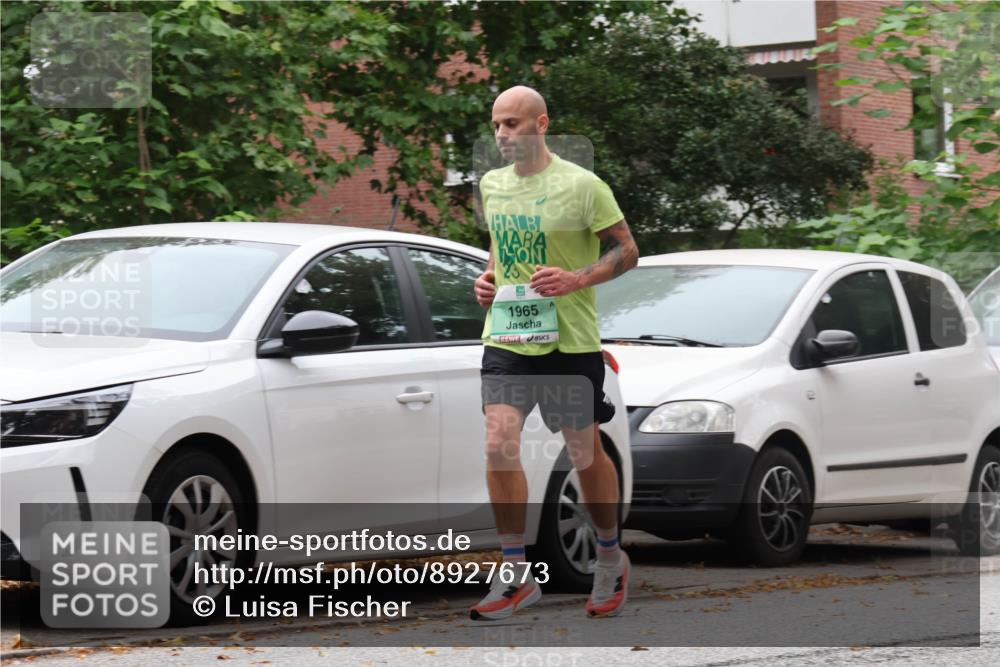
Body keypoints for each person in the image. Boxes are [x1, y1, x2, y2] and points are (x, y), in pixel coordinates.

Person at [469, 85, 639, 621]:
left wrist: (576, 278)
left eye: (513, 124)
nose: (502, 135)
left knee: (584, 452)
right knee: (499, 441)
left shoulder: (583, 185)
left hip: (569, 337)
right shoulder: (493, 185)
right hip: (509, 335)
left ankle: (609, 556)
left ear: (542, 124)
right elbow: (501, 244)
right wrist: (490, 278)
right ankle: (516, 571)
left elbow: (627, 250)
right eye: (497, 124)